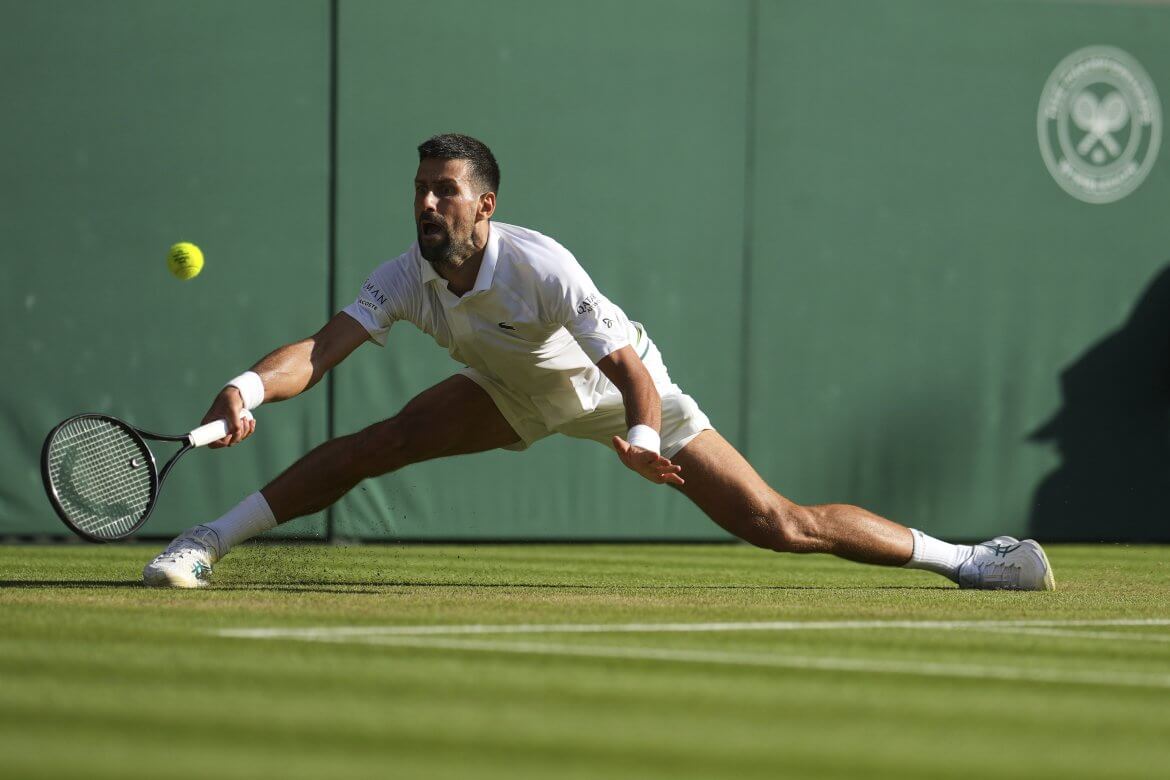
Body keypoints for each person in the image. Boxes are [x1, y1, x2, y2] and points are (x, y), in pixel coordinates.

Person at [143, 134, 1055, 591]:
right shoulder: (405, 276)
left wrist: (645, 434)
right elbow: (322, 349)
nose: (426, 201)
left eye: (444, 190)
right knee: (373, 444)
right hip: (509, 395)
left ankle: (971, 560)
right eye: (419, 188)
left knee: (780, 521)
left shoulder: (541, 265)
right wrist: (251, 386)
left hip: (619, 395)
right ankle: (204, 543)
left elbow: (628, 370)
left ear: (484, 204)